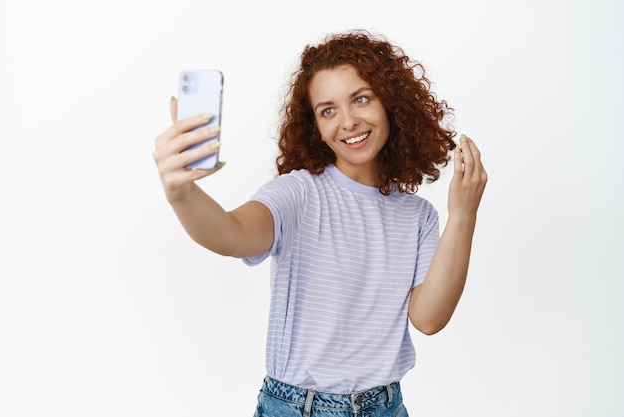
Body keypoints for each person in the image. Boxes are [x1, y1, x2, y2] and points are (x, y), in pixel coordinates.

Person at [153, 29, 487, 417]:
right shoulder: (299, 194)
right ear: (314, 124)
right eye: (328, 110)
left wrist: (463, 215)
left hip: (385, 407)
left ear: (390, 103)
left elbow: (429, 319)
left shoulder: (418, 217)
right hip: (298, 408)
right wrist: (181, 194)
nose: (348, 122)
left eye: (361, 99)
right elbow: (234, 234)